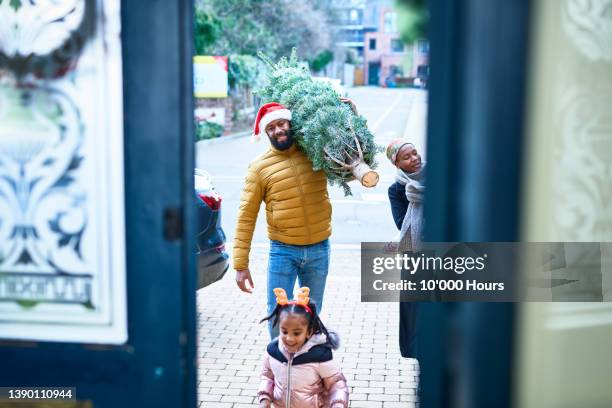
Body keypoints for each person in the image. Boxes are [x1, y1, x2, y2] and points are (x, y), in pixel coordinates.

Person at [234, 101, 355, 339]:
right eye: (271, 128)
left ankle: (306, 368)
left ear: (290, 123)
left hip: (319, 248)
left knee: (311, 312)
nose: (278, 130)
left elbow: (349, 164)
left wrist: (349, 116)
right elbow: (246, 216)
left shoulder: (316, 151)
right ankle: (278, 369)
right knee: (276, 313)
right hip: (283, 252)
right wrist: (240, 265)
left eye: (281, 123)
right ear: (266, 133)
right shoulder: (259, 168)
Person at [258, 287, 349, 408]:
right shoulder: (273, 351)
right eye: (284, 332)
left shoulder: (320, 356)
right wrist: (264, 398)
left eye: (296, 333)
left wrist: (338, 404)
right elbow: (267, 377)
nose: (289, 338)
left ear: (308, 332)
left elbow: (336, 384)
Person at [386, 139, 426, 359]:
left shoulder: (436, 174)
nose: (415, 158)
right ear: (397, 164)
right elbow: (402, 223)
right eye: (407, 157)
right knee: (415, 316)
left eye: (415, 153)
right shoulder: (396, 189)